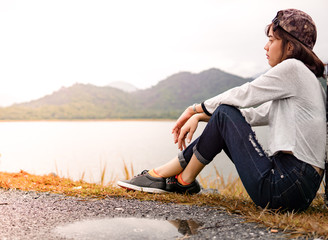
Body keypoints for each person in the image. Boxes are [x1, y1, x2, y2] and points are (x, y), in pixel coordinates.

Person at [117, 9, 326, 211]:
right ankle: (176, 178)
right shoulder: (310, 81)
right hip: (297, 188)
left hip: (285, 185)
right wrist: (202, 116)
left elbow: (245, 94)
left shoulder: (294, 69)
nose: (265, 47)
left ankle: (176, 179)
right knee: (225, 115)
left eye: (271, 40)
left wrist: (194, 109)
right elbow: (254, 115)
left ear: (290, 47)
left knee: (225, 111)